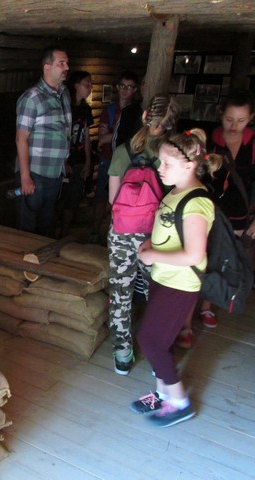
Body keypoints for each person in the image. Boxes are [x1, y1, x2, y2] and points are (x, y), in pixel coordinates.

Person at [131, 129, 222, 427]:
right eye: (160, 162)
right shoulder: (175, 190)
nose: (160, 169)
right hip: (164, 277)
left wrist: (153, 256)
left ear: (189, 165)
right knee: (161, 340)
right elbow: (169, 230)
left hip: (180, 283)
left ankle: (180, 402)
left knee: (150, 340)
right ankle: (162, 394)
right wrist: (151, 244)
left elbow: (194, 254)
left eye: (167, 164)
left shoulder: (197, 202)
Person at [107, 94, 181, 375]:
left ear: (144, 116)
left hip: (121, 232)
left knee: (120, 292)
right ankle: (157, 353)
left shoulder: (123, 151)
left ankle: (122, 354)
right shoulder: (171, 158)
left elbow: (113, 199)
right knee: (157, 293)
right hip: (156, 235)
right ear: (171, 125)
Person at [186, 90, 255, 332]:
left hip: (238, 215)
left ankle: (208, 306)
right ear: (221, 114)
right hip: (206, 212)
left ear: (250, 118)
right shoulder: (209, 141)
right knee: (198, 260)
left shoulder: (253, 145)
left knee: (224, 262)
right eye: (229, 119)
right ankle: (185, 319)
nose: (234, 126)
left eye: (241, 120)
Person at [14, 45, 71, 236]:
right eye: (61, 63)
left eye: (67, 63)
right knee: (27, 227)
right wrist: (25, 177)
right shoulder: (32, 98)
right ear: (47, 67)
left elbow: (64, 131)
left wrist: (64, 162)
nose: (66, 67)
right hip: (35, 173)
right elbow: (21, 138)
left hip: (55, 173)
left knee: (45, 226)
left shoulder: (64, 94)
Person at [89, 72, 143, 244]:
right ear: (117, 87)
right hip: (107, 158)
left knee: (121, 199)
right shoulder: (110, 110)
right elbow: (102, 137)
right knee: (101, 196)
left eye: (129, 87)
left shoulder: (136, 111)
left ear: (135, 89)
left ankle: (114, 234)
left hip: (127, 162)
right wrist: (117, 135)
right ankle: (95, 231)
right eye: (122, 86)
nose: (125, 90)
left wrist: (112, 135)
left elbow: (132, 138)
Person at [54, 70, 93, 238]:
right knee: (59, 198)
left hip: (78, 160)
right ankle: (50, 233)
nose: (90, 87)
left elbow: (86, 137)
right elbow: (59, 136)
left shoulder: (86, 110)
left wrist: (88, 162)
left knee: (73, 197)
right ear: (76, 85)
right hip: (62, 161)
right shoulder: (65, 108)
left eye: (91, 84)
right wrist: (63, 161)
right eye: (86, 83)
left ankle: (64, 233)